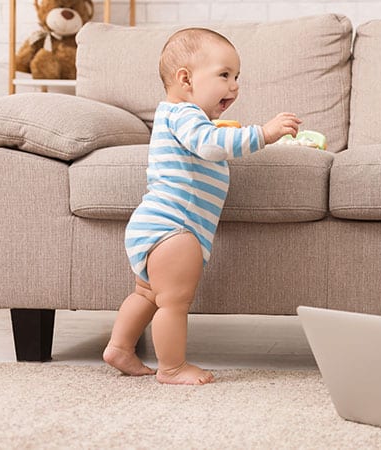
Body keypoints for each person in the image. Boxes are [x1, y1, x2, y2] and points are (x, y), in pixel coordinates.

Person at [102, 27, 301, 385]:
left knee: (147, 293)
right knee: (174, 302)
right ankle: (172, 367)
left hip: (155, 224)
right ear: (186, 79)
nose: (235, 85)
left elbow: (207, 142)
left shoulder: (180, 118)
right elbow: (211, 145)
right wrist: (265, 134)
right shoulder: (185, 116)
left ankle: (119, 347)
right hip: (175, 228)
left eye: (237, 76)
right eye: (224, 75)